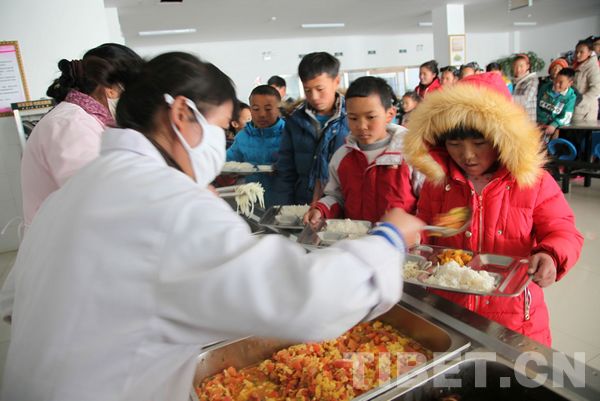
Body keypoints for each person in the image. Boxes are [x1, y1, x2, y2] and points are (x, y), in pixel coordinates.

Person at [0, 52, 424, 401]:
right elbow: (302, 297)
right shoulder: (165, 203)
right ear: (181, 114)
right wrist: (387, 241)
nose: (220, 145)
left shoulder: (76, 190)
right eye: (220, 129)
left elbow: (12, 302)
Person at [403, 72, 583, 347]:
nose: (467, 155)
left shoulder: (532, 182)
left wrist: (551, 255)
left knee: (514, 384)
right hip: (450, 311)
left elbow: (562, 229)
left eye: (479, 143)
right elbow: (427, 228)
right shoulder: (438, 184)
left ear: (503, 139)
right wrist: (413, 238)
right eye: (454, 144)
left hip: (514, 319)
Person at [20, 43, 143, 228]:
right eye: (132, 91)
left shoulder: (87, 119)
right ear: (110, 88)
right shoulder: (70, 124)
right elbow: (96, 195)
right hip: (61, 242)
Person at [303, 77, 422, 226]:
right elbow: (337, 196)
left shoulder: (410, 154)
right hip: (356, 242)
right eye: (353, 118)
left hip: (400, 244)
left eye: (370, 117)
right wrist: (321, 210)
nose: (361, 126)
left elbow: (426, 203)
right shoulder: (342, 156)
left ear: (390, 115)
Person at [273, 52, 350, 205]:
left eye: (320, 89)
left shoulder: (352, 116)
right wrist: (284, 208)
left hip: (344, 203)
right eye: (307, 90)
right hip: (305, 203)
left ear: (336, 81)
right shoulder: (294, 120)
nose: (314, 96)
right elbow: (286, 170)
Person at [226, 85, 285, 207]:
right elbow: (229, 161)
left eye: (268, 109)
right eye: (256, 109)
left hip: (286, 203)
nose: (262, 114)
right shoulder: (243, 136)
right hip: (254, 204)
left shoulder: (289, 134)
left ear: (279, 109)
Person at [537, 68, 577, 142]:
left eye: (561, 82)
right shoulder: (545, 87)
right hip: (538, 124)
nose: (556, 84)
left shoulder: (571, 97)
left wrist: (554, 125)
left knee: (550, 148)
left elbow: (566, 116)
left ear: (570, 83)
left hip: (553, 128)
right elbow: (536, 105)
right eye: (555, 80)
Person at [572, 38, 600, 123]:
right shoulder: (576, 65)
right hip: (575, 109)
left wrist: (581, 100)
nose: (578, 55)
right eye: (576, 52)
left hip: (585, 111)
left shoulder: (592, 67)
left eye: (581, 52)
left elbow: (596, 89)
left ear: (589, 53)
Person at [511, 54, 539, 122]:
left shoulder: (532, 80)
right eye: (515, 66)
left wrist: (507, 98)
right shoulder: (514, 81)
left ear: (527, 66)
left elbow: (526, 99)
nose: (518, 69)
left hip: (527, 121)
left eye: (521, 66)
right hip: (517, 119)